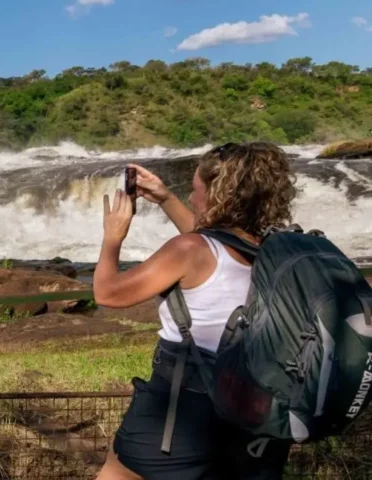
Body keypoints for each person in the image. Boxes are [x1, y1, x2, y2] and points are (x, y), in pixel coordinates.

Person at [92, 142, 298, 480]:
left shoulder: (189, 250)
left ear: (219, 197)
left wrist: (113, 236)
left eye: (194, 189)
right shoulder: (277, 248)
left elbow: (108, 293)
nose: (191, 197)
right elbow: (214, 245)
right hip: (258, 417)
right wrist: (165, 198)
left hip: (181, 414)